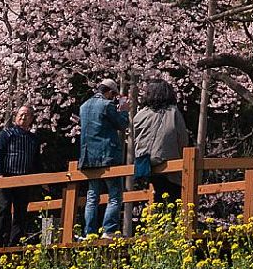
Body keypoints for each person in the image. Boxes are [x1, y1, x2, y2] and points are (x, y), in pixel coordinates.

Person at [79, 79, 129, 238]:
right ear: (110, 92)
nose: (114, 99)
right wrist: (124, 110)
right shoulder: (107, 105)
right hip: (107, 156)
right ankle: (109, 230)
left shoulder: (83, 106)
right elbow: (123, 124)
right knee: (115, 195)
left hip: (88, 157)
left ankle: (89, 232)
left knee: (92, 196)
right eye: (114, 96)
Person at [130, 79, 191, 205]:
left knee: (157, 198)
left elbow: (135, 137)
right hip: (168, 161)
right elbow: (183, 139)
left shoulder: (140, 115)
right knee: (172, 199)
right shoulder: (173, 112)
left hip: (145, 163)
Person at [0, 106, 41, 249]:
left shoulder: (33, 139)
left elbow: (37, 160)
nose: (23, 117)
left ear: (31, 119)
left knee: (21, 211)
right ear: (16, 116)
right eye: (21, 114)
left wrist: (40, 178)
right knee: (4, 209)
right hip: (7, 177)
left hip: (24, 179)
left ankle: (15, 242)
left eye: (27, 115)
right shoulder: (7, 133)